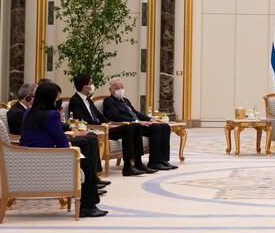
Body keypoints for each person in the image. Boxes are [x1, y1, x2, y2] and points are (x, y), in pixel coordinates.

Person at [19, 82, 108, 218]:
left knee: (82, 153)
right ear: (49, 99)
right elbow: (62, 143)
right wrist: (72, 148)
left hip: (29, 159)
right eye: (56, 100)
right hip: (46, 159)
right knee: (87, 163)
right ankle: (87, 207)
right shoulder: (51, 115)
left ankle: (89, 203)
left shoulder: (28, 112)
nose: (58, 102)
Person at [68, 74, 151, 176]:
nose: (92, 85)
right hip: (94, 129)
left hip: (103, 128)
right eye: (91, 83)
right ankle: (127, 167)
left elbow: (98, 115)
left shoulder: (88, 99)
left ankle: (138, 163)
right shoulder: (75, 100)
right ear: (85, 87)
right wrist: (101, 124)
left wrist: (107, 122)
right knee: (127, 128)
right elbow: (81, 119)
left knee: (136, 126)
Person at [103, 77, 177, 171]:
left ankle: (163, 160)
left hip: (139, 124)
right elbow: (116, 117)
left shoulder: (125, 100)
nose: (120, 90)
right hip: (131, 126)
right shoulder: (109, 101)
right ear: (110, 90)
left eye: (121, 87)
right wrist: (137, 122)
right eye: (117, 88)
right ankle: (154, 162)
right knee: (156, 129)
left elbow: (136, 113)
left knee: (165, 126)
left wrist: (151, 119)